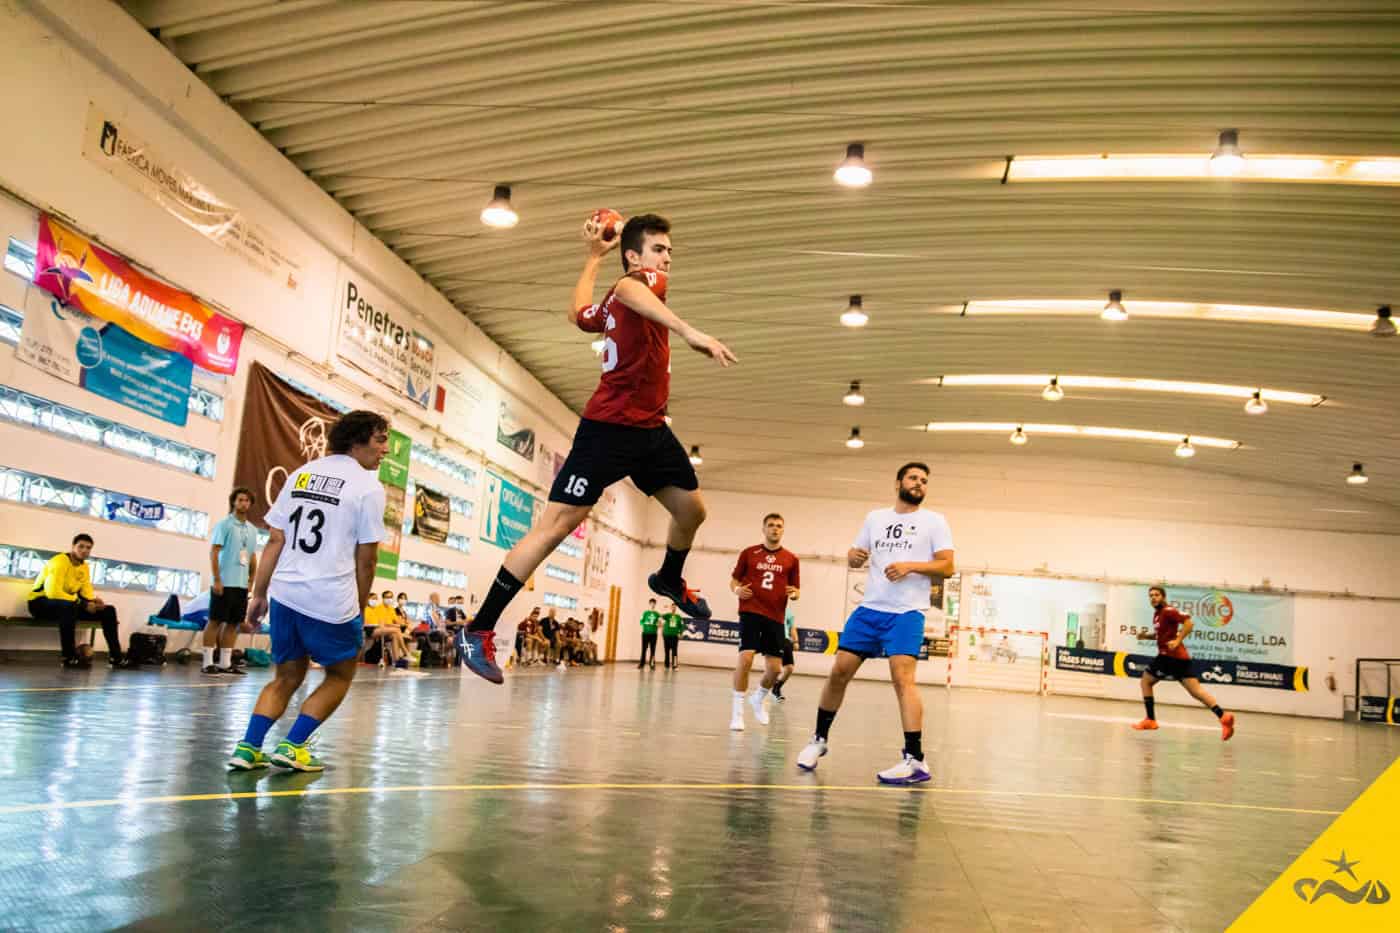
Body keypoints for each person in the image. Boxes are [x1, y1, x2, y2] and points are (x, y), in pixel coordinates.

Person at [457, 213, 737, 683]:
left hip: (650, 431)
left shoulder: (616, 304)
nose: (667, 258)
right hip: (607, 430)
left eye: (669, 251)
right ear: (634, 256)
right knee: (556, 527)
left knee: (692, 512)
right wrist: (690, 332)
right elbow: (628, 289)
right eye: (659, 249)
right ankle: (478, 629)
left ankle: (669, 577)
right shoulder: (634, 286)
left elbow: (577, 314)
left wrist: (590, 257)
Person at [227, 410, 389, 772]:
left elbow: (275, 539)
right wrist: (359, 609)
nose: (385, 451)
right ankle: (294, 744)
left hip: (286, 594)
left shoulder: (301, 474)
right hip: (330, 599)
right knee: (341, 675)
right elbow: (367, 561)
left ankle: (248, 748)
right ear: (357, 440)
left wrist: (259, 594)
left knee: (285, 677)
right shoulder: (367, 487)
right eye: (380, 441)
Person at [796, 462, 954, 785]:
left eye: (924, 480)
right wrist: (853, 556)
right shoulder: (875, 518)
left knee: (902, 677)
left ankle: (915, 759)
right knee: (839, 671)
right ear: (897, 482)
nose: (919, 484)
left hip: (907, 613)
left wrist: (910, 566)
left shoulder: (934, 521)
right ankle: (818, 740)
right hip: (869, 609)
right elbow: (857, 552)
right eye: (913, 478)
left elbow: (948, 566)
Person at [1132, 586, 1236, 741]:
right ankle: (1224, 717)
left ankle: (1150, 720)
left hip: (1169, 656)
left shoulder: (1168, 610)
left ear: (1163, 596)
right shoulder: (1158, 614)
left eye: (1156, 595)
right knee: (1196, 692)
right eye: (1151, 595)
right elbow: (1162, 634)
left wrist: (1178, 640)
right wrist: (1145, 637)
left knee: (1146, 681)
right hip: (1180, 658)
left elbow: (1189, 624)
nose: (1153, 598)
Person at [729, 513, 800, 730]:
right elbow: (734, 581)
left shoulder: (791, 559)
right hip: (750, 611)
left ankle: (758, 698)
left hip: (776, 617)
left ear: (783, 530)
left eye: (779, 526)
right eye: (771, 525)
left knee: (775, 668)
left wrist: (795, 594)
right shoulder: (749, 553)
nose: (775, 529)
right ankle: (737, 713)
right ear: (764, 529)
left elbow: (796, 589)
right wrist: (737, 590)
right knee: (746, 659)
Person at [27, 532, 129, 669]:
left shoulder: (84, 567)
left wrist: (93, 601)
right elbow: (53, 593)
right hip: (40, 604)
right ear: (73, 547)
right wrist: (83, 603)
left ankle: (116, 658)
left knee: (108, 610)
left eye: (88, 548)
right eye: (81, 546)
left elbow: (86, 591)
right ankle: (69, 658)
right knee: (69, 607)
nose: (84, 550)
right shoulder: (59, 561)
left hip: (68, 606)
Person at [204, 487, 259, 676]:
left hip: (241, 585)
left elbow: (251, 556)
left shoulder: (252, 530)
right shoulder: (224, 525)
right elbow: (214, 552)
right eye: (240, 500)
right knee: (215, 621)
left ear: (250, 504)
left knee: (234, 623)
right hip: (224, 582)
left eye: (246, 500)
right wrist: (217, 579)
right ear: (234, 502)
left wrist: (251, 580)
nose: (243, 503)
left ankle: (225, 663)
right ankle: (207, 662)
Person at [772, 608, 797, 702]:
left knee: (789, 668)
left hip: (785, 639)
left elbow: (792, 627)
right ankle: (768, 692)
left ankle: (776, 687)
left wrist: (795, 641)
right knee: (774, 669)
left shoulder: (788, 611)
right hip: (773, 638)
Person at [637, 598, 661, 669]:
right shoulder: (645, 613)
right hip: (645, 633)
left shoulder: (657, 614)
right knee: (644, 649)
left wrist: (658, 624)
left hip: (653, 634)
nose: (652, 605)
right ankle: (642, 664)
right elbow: (641, 621)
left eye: (654, 603)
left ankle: (652, 664)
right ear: (649, 604)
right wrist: (645, 623)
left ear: (655, 604)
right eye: (651, 603)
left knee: (653, 649)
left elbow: (660, 623)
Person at [661, 603, 684, 669]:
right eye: (672, 607)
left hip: (674, 636)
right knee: (666, 650)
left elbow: (682, 626)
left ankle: (674, 665)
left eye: (674, 607)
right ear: (671, 608)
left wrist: (681, 633)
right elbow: (661, 616)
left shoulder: (678, 617)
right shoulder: (668, 615)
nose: (673, 608)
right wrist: (665, 608)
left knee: (674, 651)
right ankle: (666, 665)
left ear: (676, 608)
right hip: (666, 635)